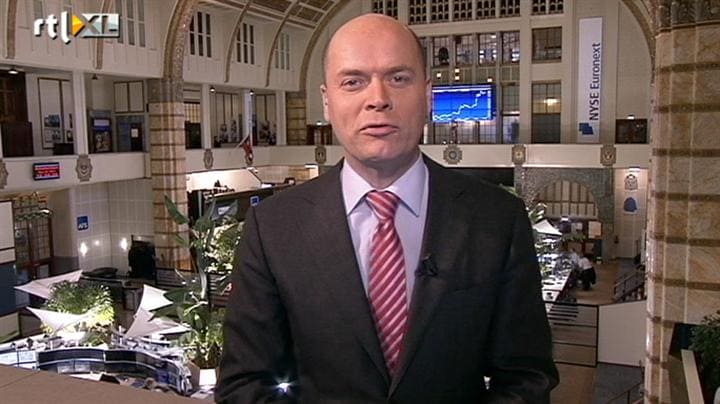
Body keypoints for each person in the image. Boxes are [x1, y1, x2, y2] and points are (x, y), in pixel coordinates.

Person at [216, 14, 558, 403]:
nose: (377, 98)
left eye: (398, 78)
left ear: (427, 95)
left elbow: (526, 379)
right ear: (327, 101)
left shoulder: (497, 219)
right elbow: (245, 383)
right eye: (353, 82)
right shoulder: (274, 226)